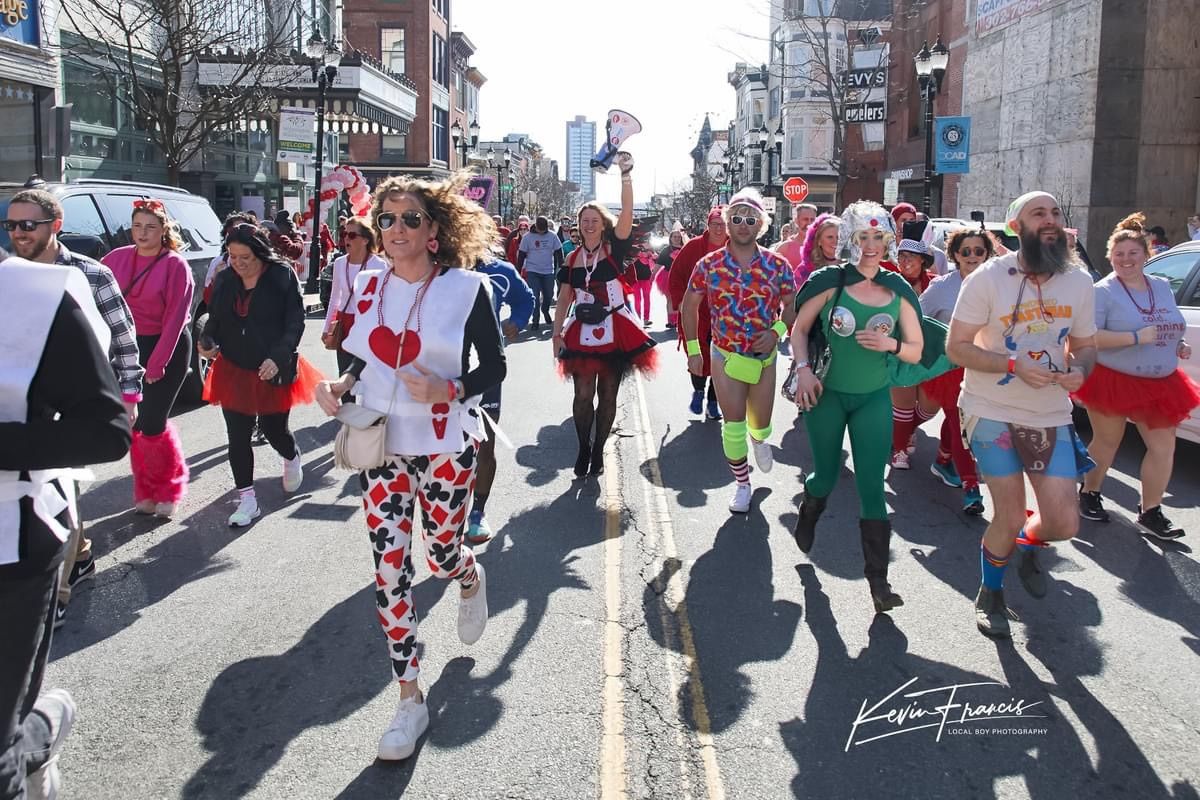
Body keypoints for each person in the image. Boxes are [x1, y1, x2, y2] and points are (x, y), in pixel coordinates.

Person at [315, 172, 503, 761]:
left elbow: (493, 368)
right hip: (383, 446)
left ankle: (467, 575)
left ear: (435, 232)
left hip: (446, 444)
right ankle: (409, 698)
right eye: (387, 220)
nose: (395, 230)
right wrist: (340, 383)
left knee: (440, 554)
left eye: (410, 219)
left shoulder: (467, 289)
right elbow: (358, 351)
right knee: (389, 568)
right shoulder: (369, 283)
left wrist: (448, 390)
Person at [0, 250, 131, 800]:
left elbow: (107, 430)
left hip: (13, 539)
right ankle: (28, 738)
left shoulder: (39, 293)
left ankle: (33, 733)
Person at [946, 191, 1098, 638]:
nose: (1050, 220)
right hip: (989, 408)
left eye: (1055, 212)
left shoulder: (1080, 281)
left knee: (1064, 523)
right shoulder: (988, 279)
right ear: (1015, 227)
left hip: (1050, 413)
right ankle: (990, 592)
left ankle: (1028, 545)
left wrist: (1079, 370)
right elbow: (956, 348)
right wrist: (1012, 365)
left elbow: (1085, 347)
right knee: (1008, 514)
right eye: (1039, 213)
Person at [5, 189, 144, 627]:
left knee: (63, 491)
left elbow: (122, 337)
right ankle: (78, 556)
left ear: (55, 227)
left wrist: (129, 394)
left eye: (29, 225)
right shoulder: (10, 277)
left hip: (81, 400)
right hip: (31, 408)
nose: (19, 234)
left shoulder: (89, 274)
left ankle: (57, 593)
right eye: (11, 226)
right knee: (65, 496)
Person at [789, 201, 927, 614]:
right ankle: (810, 509)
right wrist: (803, 370)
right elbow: (799, 330)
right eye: (862, 237)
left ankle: (879, 583)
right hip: (826, 396)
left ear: (889, 241)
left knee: (871, 486)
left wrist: (892, 345)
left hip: (873, 399)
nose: (870, 246)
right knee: (826, 476)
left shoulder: (898, 290)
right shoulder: (829, 281)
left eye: (878, 237)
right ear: (850, 240)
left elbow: (917, 350)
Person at [1074, 213, 1199, 539]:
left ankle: (1150, 510)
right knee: (1107, 442)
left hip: (1161, 381)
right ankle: (1089, 492)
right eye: (1119, 255)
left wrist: (1179, 343)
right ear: (1110, 257)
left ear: (1147, 254)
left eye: (1132, 254)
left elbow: (1168, 323)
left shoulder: (1161, 286)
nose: (1125, 260)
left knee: (1163, 447)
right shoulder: (1103, 291)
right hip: (1113, 378)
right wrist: (1135, 338)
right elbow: (1090, 337)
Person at [680, 189, 797, 513]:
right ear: (727, 222)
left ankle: (759, 440)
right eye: (736, 218)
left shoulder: (778, 265)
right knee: (732, 424)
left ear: (762, 223)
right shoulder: (709, 265)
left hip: (764, 359)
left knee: (759, 424)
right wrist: (694, 349)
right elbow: (688, 306)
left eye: (750, 219)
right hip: (725, 356)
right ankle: (742, 484)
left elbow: (791, 306)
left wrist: (776, 333)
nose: (742, 224)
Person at [198, 225, 321, 527]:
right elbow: (214, 318)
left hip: (272, 365)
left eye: (245, 257)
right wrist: (207, 342)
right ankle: (247, 499)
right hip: (234, 366)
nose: (238, 263)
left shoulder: (281, 275)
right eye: (232, 256)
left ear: (260, 253)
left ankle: (291, 456)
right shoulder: (226, 278)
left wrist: (278, 357)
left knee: (273, 429)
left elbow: (295, 321)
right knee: (237, 436)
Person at [552, 153, 657, 477]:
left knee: (608, 393)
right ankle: (584, 446)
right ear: (578, 226)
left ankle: (599, 451)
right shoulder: (571, 261)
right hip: (581, 328)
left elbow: (627, 212)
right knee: (583, 395)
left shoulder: (614, 249)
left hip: (616, 326)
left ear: (603, 224)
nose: (588, 224)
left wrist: (626, 173)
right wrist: (556, 334)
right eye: (584, 220)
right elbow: (564, 297)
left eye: (594, 220)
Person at [101, 199, 193, 519]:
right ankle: (145, 491)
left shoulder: (174, 265)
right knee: (136, 424)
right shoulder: (115, 259)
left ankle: (168, 489)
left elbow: (176, 319)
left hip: (166, 347)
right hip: (128, 346)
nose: (142, 233)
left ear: (163, 231)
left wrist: (157, 363)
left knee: (153, 422)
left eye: (150, 227)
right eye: (137, 226)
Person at [914, 227, 994, 515]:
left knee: (963, 422)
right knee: (960, 421)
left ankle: (943, 458)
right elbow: (917, 320)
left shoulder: (998, 286)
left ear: (987, 254)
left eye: (979, 251)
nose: (972, 256)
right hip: (950, 368)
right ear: (955, 255)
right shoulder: (942, 287)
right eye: (966, 251)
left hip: (985, 368)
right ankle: (971, 487)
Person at [469, 253, 534, 543]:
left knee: (485, 441)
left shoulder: (500, 271)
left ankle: (477, 512)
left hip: (486, 367)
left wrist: (517, 321)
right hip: (442, 369)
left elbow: (526, 298)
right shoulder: (433, 263)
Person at [669, 209, 728, 419]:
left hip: (725, 316)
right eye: (715, 224)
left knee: (722, 361)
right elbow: (675, 276)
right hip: (697, 313)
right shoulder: (693, 247)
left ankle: (713, 402)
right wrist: (679, 302)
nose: (719, 229)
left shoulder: (735, 247)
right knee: (697, 355)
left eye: (723, 224)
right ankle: (699, 390)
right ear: (708, 225)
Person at [887, 239, 937, 470]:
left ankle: (905, 430)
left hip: (929, 355)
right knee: (903, 406)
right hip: (899, 351)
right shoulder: (890, 283)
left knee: (930, 407)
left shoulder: (936, 285)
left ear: (923, 261)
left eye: (911, 257)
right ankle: (899, 450)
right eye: (901, 257)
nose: (905, 262)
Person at [322, 216, 387, 376]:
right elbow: (334, 298)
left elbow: (383, 302)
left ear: (365, 240)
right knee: (344, 377)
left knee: (367, 378)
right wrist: (326, 328)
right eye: (345, 234)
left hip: (368, 325)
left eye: (352, 235)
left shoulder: (378, 265)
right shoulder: (339, 263)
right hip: (344, 324)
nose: (346, 238)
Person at [516, 216, 563, 332]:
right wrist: (517, 270)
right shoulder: (527, 237)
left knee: (548, 295)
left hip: (548, 271)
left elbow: (558, 251)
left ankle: (545, 310)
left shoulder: (552, 236)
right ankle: (535, 320)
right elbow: (521, 254)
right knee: (535, 297)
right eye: (540, 230)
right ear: (536, 227)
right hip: (532, 271)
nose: (542, 233)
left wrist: (561, 266)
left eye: (544, 230)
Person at [203, 212, 255, 308]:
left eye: (242, 230)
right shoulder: (217, 263)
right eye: (232, 232)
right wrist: (216, 279)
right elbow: (208, 300)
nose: (237, 236)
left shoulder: (261, 263)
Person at [795, 212, 841, 287]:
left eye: (839, 237)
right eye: (830, 237)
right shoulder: (804, 269)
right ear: (819, 241)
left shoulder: (852, 266)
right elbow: (796, 297)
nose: (835, 241)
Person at [773, 202, 819, 274]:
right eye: (805, 219)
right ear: (796, 221)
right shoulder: (785, 248)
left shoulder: (821, 246)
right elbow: (772, 275)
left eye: (812, 220)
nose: (809, 223)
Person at [656, 229, 686, 328]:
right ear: (671, 238)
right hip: (667, 276)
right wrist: (652, 278)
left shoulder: (685, 248)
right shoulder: (666, 250)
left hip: (682, 277)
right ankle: (671, 321)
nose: (677, 239)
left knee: (681, 299)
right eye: (675, 237)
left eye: (678, 237)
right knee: (670, 299)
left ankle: (679, 320)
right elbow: (658, 264)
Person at [632, 242, 656, 327]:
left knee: (647, 298)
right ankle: (637, 318)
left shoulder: (648, 245)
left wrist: (649, 254)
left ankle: (646, 319)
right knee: (637, 299)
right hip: (635, 278)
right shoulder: (633, 246)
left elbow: (654, 258)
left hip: (647, 278)